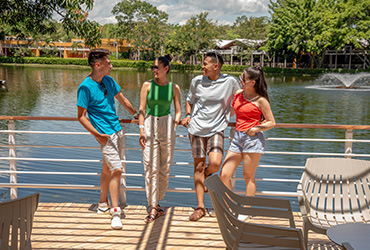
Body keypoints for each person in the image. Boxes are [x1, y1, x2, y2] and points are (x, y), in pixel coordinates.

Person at [77, 49, 138, 230]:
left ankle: (103, 203)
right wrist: (97, 134)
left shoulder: (109, 81)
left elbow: (122, 99)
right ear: (98, 65)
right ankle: (116, 211)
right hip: (104, 135)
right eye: (108, 62)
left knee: (108, 169)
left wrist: (136, 114)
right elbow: (81, 116)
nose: (111, 65)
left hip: (117, 131)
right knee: (117, 170)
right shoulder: (85, 87)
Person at [181, 52, 241, 221]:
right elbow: (189, 100)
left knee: (215, 163)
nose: (202, 66)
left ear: (216, 66)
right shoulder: (197, 81)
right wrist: (187, 114)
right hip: (197, 128)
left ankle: (207, 177)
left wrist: (234, 115)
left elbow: (241, 99)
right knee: (198, 167)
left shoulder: (230, 82)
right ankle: (200, 207)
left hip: (217, 128)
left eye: (205, 64)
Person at [220, 66, 275, 204]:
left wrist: (256, 128)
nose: (240, 81)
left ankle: (246, 209)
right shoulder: (239, 94)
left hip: (253, 140)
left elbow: (271, 122)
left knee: (248, 176)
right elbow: (230, 112)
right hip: (237, 138)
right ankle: (230, 204)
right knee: (224, 174)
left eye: (243, 79)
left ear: (252, 82)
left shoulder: (260, 100)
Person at [138, 55, 181, 223]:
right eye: (153, 68)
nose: (154, 70)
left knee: (164, 167)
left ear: (166, 69)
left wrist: (174, 125)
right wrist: (141, 130)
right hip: (149, 124)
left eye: (157, 67)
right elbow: (141, 109)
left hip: (167, 125)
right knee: (150, 166)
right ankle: (153, 206)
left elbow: (178, 110)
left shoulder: (174, 87)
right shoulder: (147, 85)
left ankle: (158, 200)